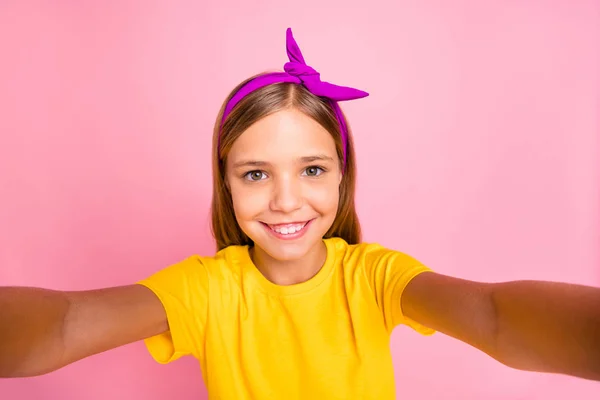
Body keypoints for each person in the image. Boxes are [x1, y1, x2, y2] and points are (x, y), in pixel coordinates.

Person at [1, 28, 599, 399]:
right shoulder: (207, 290)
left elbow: (494, 316)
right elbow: (64, 324)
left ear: (342, 173)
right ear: (227, 184)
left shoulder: (374, 278)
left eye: (311, 170)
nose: (286, 200)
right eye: (256, 174)